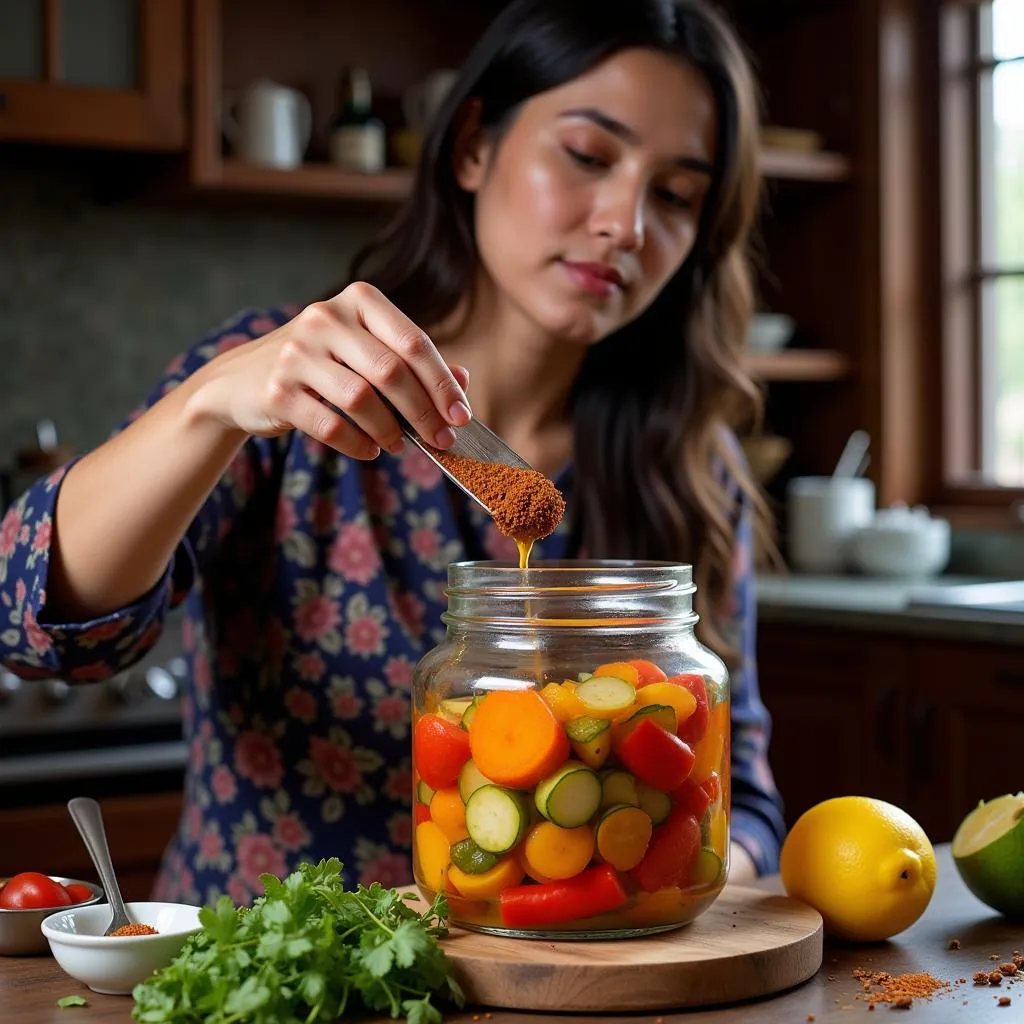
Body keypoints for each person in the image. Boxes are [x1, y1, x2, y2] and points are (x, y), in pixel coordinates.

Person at [0, 0, 786, 905]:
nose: (628, 223)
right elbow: (35, 632)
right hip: (278, 980)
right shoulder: (286, 392)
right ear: (473, 147)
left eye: (678, 194)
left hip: (564, 981)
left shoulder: (693, 461)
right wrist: (205, 408)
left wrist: (647, 888)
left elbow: (746, 795)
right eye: (588, 155)